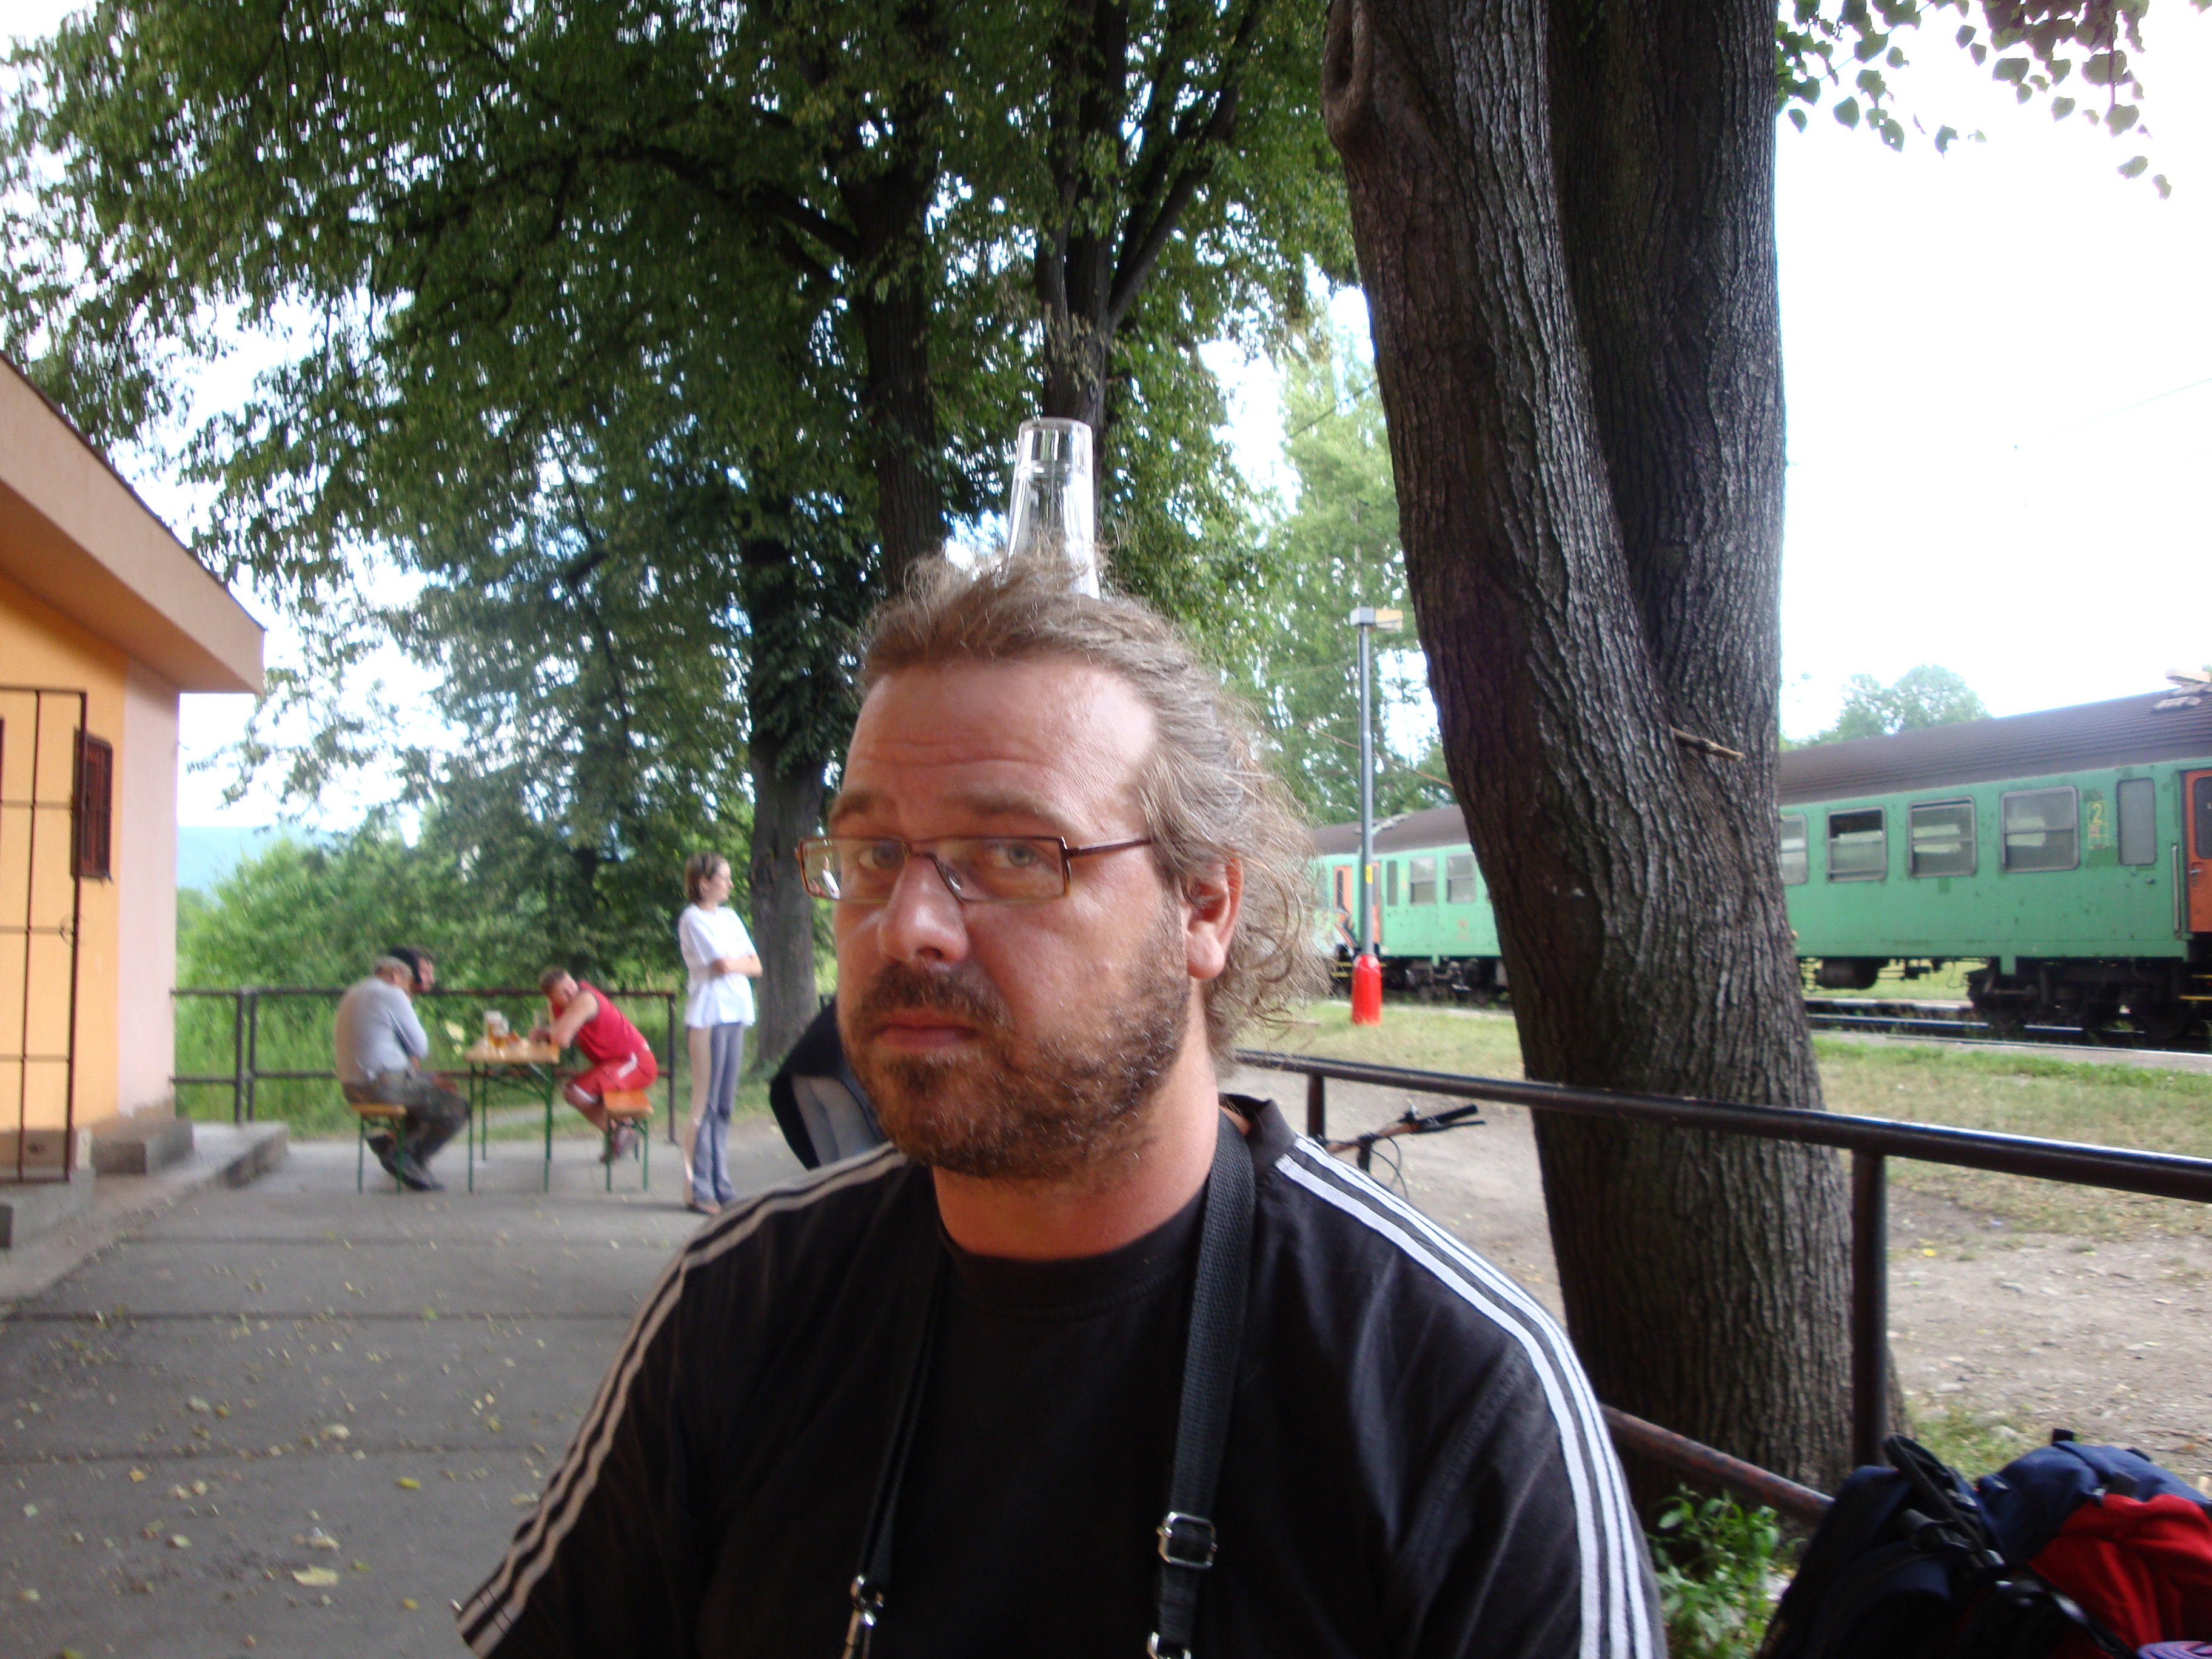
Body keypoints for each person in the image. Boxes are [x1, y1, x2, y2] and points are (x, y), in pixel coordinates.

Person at [460, 559, 1657, 1658]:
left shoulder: (1459, 1400)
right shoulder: (736, 1308)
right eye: (872, 856)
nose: (908, 926)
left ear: (1204, 907)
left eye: (1016, 854)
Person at [333, 948, 464, 1193]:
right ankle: (404, 1157)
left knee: (427, 1090)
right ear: (396, 975)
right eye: (407, 982)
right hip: (383, 1086)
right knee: (456, 1106)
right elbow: (420, 1048)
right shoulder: (392, 993)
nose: (407, 989)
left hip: (351, 1088)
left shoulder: (353, 992)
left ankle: (394, 1146)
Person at [676, 852, 763, 1214]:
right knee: (706, 1104)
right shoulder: (692, 919)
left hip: (736, 1014)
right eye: (723, 878)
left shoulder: (730, 918)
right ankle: (699, 1189)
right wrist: (736, 963)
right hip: (708, 1017)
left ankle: (721, 1184)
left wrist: (736, 964)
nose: (730, 884)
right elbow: (723, 965)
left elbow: (755, 965)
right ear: (703, 883)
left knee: (725, 1105)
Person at [532, 969, 661, 1159]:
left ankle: (623, 1130)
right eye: (563, 992)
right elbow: (562, 1035)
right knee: (570, 1092)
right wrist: (546, 1032)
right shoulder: (559, 1007)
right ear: (552, 998)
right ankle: (622, 1127)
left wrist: (547, 1032)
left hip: (636, 1062)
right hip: (615, 1063)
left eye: (571, 985)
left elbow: (562, 1039)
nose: (571, 992)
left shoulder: (584, 999)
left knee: (578, 1093)